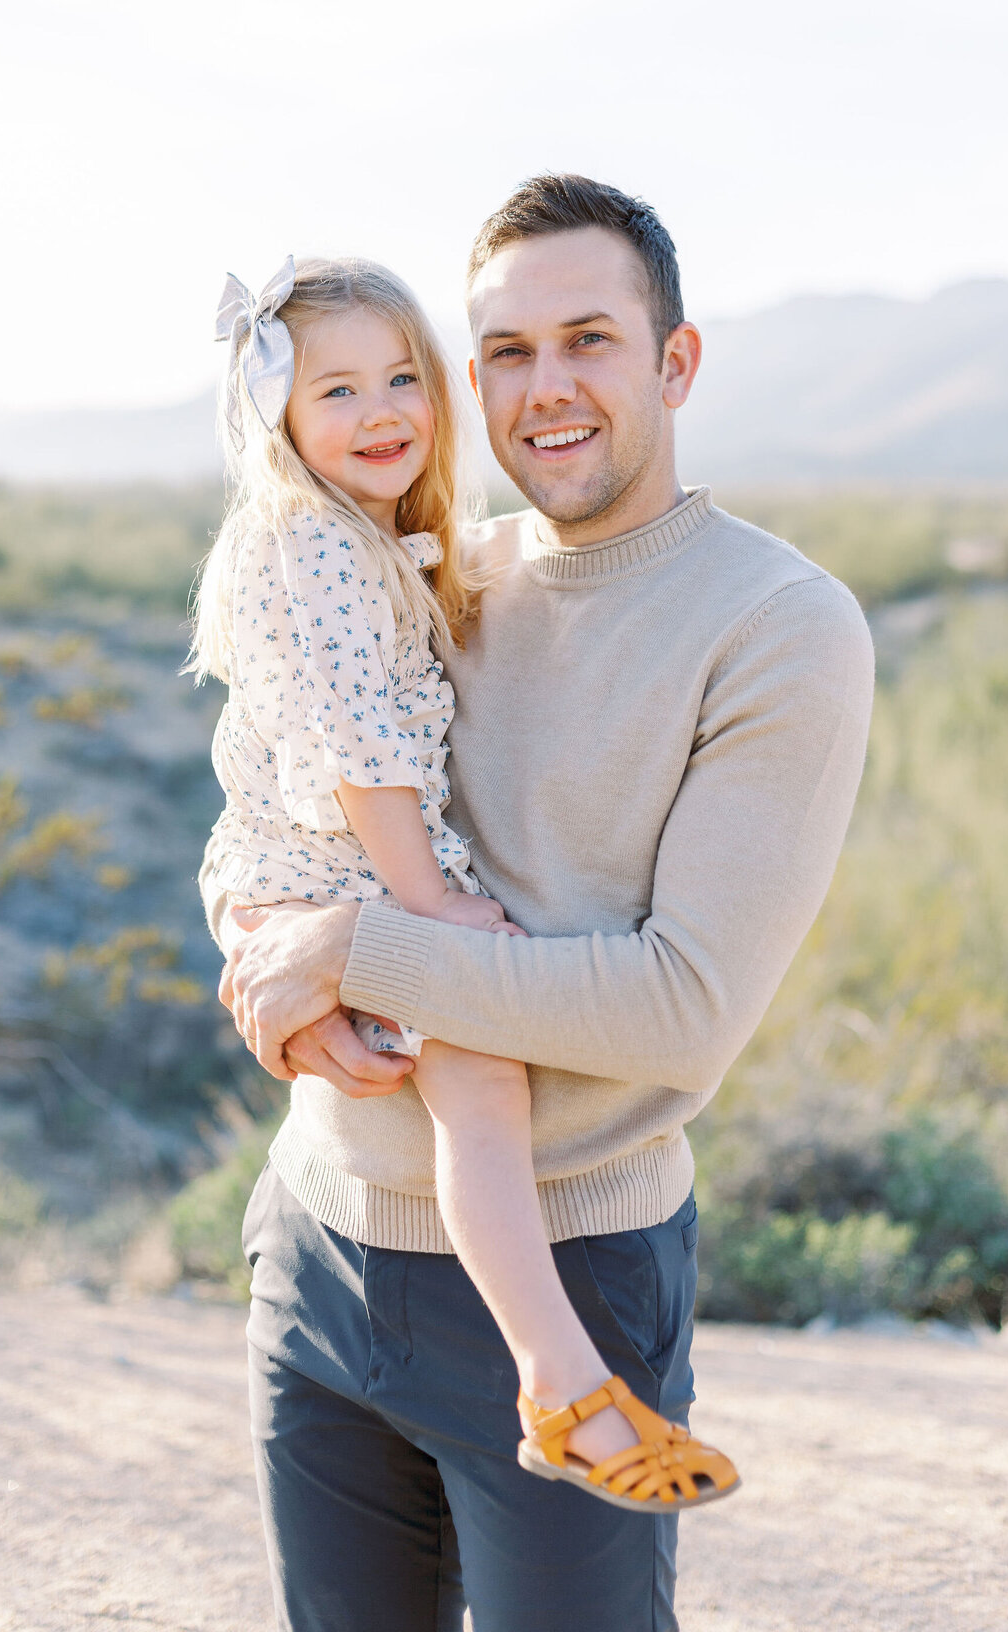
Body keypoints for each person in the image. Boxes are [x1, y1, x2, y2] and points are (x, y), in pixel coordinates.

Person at [207, 175, 876, 1632]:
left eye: (589, 339)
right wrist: (260, 968)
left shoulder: (778, 625)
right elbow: (288, 790)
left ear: (674, 361)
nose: (545, 387)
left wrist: (355, 950)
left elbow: (678, 1006)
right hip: (318, 1244)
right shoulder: (437, 572)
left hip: (570, 1267)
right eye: (507, 350)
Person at [192, 252, 737, 1513]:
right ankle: (561, 1386)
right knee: (485, 1094)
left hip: (320, 868)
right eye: (336, 392)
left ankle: (558, 1385)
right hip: (356, 866)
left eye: (402, 378)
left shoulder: (355, 538)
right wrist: (423, 912)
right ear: (276, 416)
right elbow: (364, 756)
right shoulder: (323, 549)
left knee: (479, 1101)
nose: (381, 411)